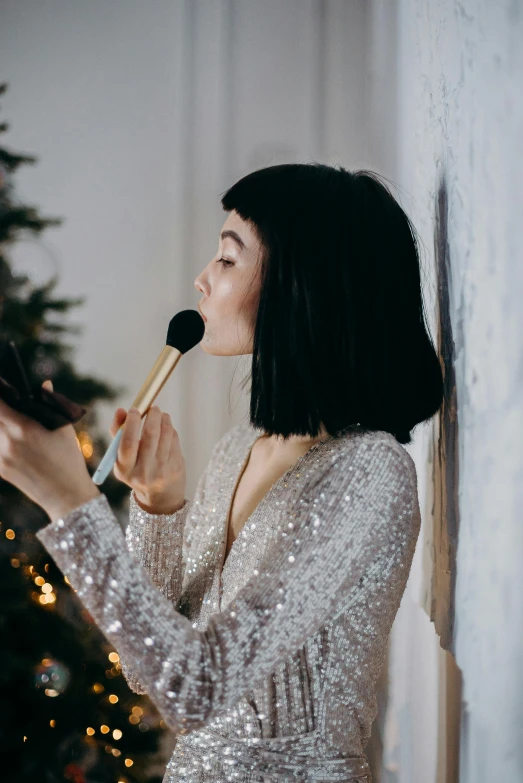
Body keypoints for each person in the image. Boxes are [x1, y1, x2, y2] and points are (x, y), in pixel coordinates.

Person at [3, 163, 443, 782]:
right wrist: (158, 507)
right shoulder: (238, 450)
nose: (202, 279)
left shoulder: (370, 475)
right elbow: (149, 667)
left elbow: (196, 688)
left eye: (229, 260)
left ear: (300, 287)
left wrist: (69, 501)